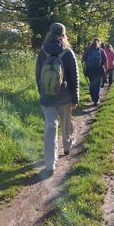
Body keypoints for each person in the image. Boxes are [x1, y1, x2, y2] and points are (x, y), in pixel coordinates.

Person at [36, 22, 79, 173]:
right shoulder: (68, 52)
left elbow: (37, 76)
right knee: (66, 124)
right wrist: (75, 98)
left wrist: (42, 93)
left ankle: (49, 164)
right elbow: (74, 78)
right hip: (64, 97)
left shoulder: (42, 52)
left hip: (47, 98)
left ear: (49, 34)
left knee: (50, 128)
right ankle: (67, 147)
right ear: (63, 35)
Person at [82, 38, 107, 106]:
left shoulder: (88, 50)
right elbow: (105, 59)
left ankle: (93, 97)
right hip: (98, 70)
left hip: (89, 70)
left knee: (92, 83)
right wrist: (102, 64)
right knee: (97, 85)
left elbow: (83, 58)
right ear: (99, 42)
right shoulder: (101, 50)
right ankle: (96, 100)